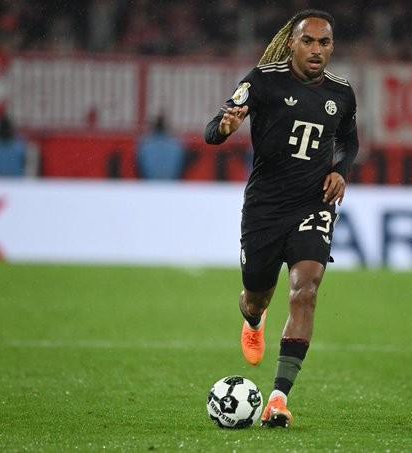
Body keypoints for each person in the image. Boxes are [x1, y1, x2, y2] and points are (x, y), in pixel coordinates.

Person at [204, 9, 358, 428]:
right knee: (257, 294)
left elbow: (349, 141)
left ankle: (278, 399)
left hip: (313, 203)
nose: (317, 50)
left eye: (324, 42)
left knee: (305, 290)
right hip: (265, 208)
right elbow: (213, 130)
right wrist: (225, 128)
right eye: (308, 41)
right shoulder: (262, 81)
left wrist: (340, 171)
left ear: (332, 47)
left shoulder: (342, 93)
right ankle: (253, 319)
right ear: (292, 43)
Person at [137, 115, 185, 180]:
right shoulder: (176, 145)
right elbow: (180, 166)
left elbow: (140, 167)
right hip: (171, 182)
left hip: (150, 181)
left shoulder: (145, 144)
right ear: (167, 128)